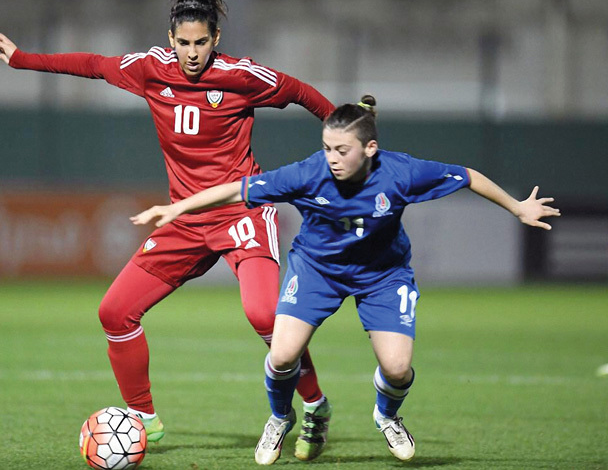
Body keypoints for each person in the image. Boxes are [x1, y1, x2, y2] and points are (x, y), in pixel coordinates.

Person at [0, 0, 336, 457]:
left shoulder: (241, 76)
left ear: (216, 38)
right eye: (183, 42)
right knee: (114, 312)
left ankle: (314, 404)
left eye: (201, 43)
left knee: (263, 315)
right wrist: (23, 58)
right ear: (171, 38)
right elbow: (93, 64)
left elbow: (299, 91)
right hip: (183, 219)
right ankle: (144, 419)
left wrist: (346, 127)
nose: (192, 53)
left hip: (242, 213)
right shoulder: (150, 68)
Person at [131, 94, 560, 465]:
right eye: (326, 148)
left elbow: (467, 175)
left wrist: (517, 207)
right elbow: (235, 189)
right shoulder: (308, 173)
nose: (332, 158)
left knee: (397, 368)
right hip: (317, 272)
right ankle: (280, 417)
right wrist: (176, 208)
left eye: (341, 150)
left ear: (370, 148)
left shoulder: (401, 172)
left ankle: (386, 415)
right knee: (282, 356)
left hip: (383, 276)